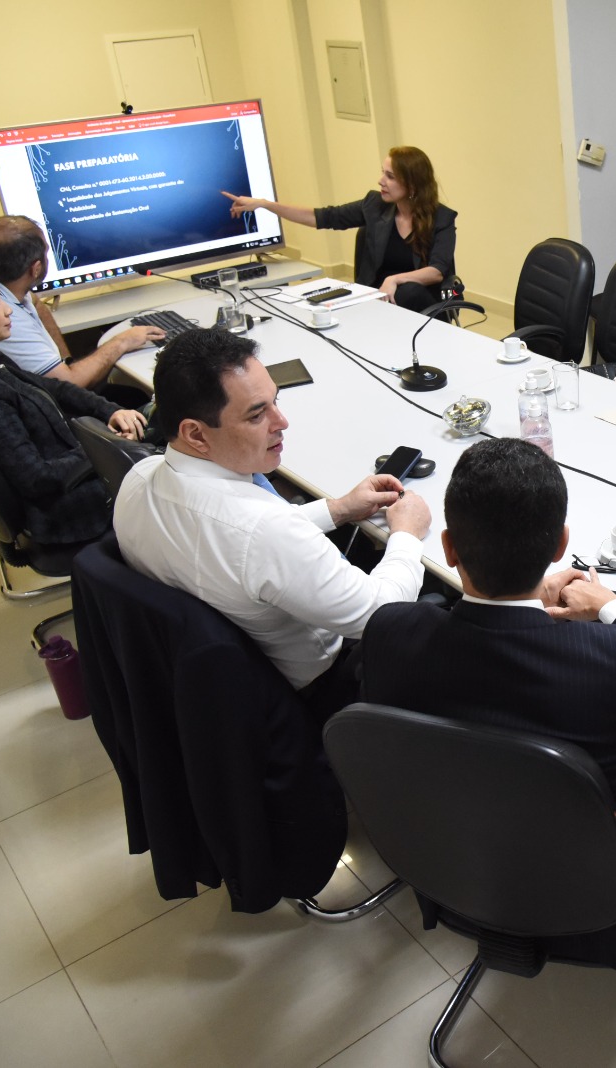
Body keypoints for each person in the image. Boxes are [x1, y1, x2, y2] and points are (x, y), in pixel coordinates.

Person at [359, 437, 616, 975]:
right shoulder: (615, 658)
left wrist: (521, 605)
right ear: (561, 545)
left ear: (450, 549)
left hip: (457, 857)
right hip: (603, 885)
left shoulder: (390, 634)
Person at [113, 328, 430, 722]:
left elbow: (241, 540)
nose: (282, 422)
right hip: (324, 690)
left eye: (275, 401)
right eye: (256, 414)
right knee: (438, 611)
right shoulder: (265, 532)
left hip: (219, 690)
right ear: (195, 433)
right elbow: (379, 615)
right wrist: (407, 535)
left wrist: (338, 509)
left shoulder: (137, 478)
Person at [0, 265, 143, 546]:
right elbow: (37, 478)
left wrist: (111, 411)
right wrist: (106, 447)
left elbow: (54, 387)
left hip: (79, 467)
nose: (8, 310)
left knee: (157, 421)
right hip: (71, 507)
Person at [223, 147, 457, 312]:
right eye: (382, 173)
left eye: (390, 176)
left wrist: (395, 279)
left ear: (412, 185)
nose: (380, 181)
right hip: (377, 303)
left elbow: (437, 271)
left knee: (410, 292)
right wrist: (265, 204)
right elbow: (322, 217)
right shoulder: (374, 205)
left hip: (421, 306)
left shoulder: (442, 218)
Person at [0, 215, 164, 388]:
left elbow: (35, 302)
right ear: (36, 269)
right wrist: (123, 341)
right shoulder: (8, 319)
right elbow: (69, 384)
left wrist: (66, 361)